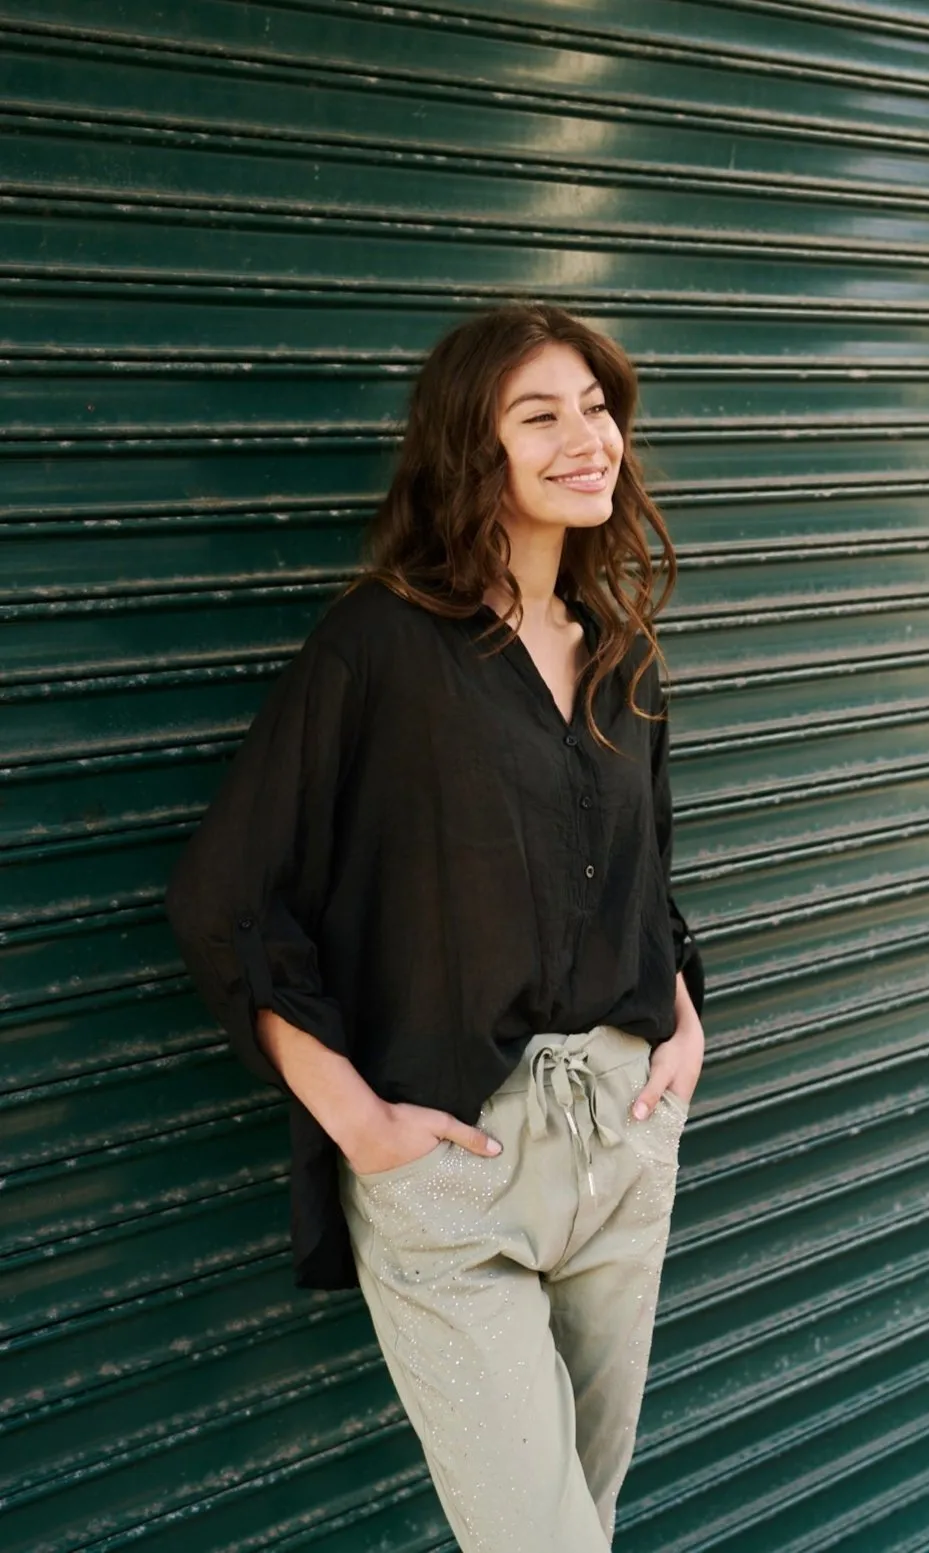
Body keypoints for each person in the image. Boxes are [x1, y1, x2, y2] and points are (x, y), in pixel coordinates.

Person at [164, 301, 706, 1551]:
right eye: (540, 414)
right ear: (473, 449)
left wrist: (681, 1030)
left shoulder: (620, 650)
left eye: (596, 406)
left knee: (588, 1518)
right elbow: (226, 894)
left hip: (621, 1143)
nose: (589, 436)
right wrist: (356, 1120)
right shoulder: (381, 646)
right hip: (457, 1161)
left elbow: (646, 876)